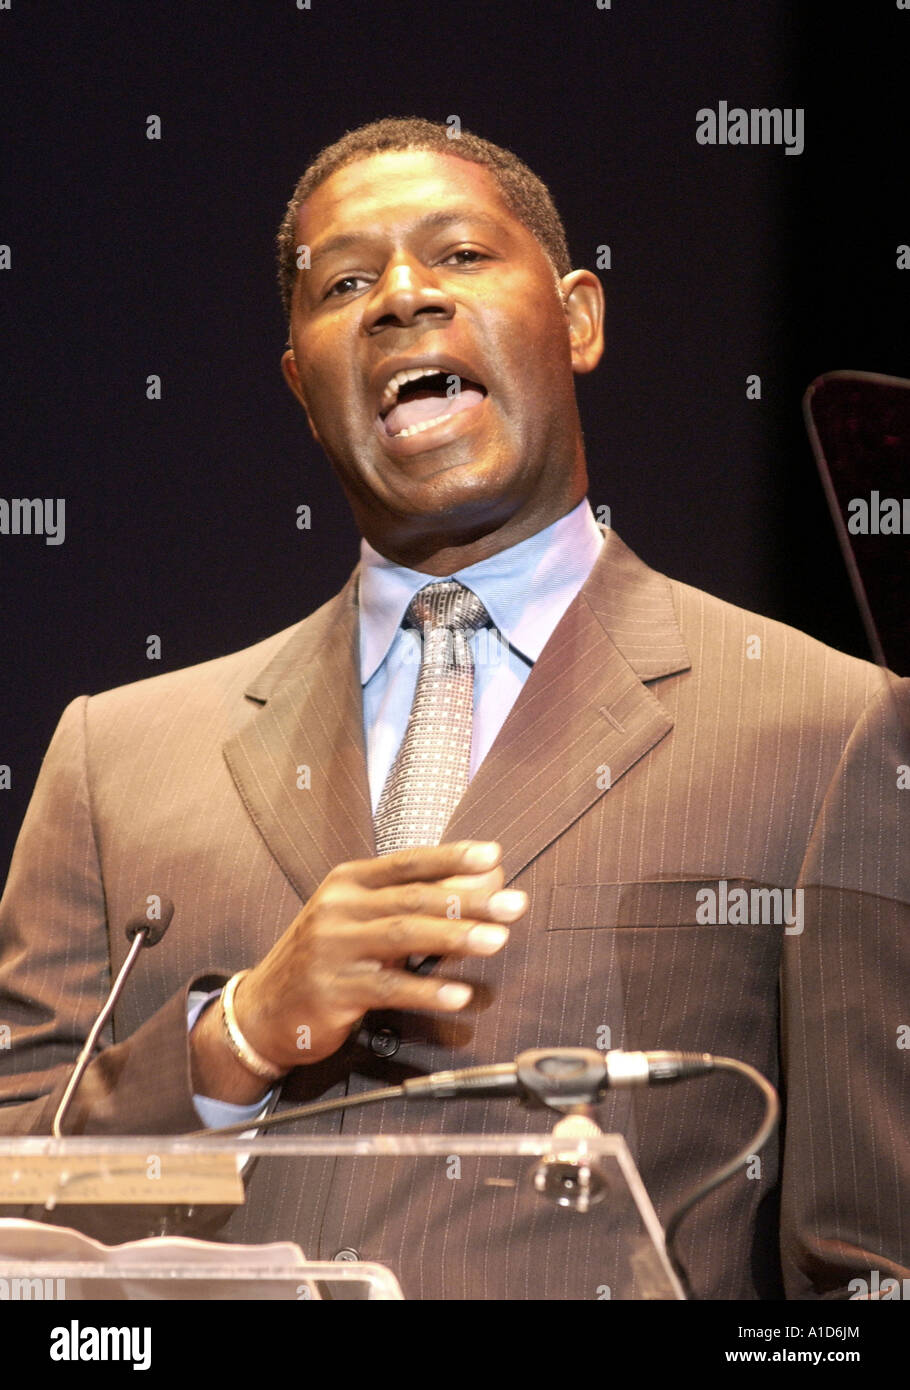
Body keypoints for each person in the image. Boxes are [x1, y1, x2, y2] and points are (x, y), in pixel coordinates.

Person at [1, 118, 907, 1300]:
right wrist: (239, 1036)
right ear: (298, 378)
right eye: (343, 283)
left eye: (461, 256)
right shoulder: (112, 761)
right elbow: (19, 1199)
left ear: (578, 317)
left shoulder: (827, 728)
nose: (400, 299)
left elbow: (868, 1273)